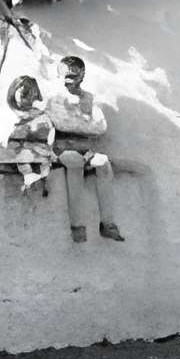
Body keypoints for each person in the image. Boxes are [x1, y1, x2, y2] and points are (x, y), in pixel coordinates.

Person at [45, 55, 122, 243]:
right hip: (61, 150)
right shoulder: (55, 99)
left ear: (81, 76)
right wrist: (83, 121)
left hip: (85, 150)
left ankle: (107, 223)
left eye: (71, 76)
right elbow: (57, 124)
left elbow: (100, 126)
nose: (66, 81)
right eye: (63, 76)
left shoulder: (89, 99)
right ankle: (77, 225)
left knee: (103, 164)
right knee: (75, 162)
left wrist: (76, 122)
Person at [0, 73, 58, 195]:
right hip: (20, 154)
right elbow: (8, 142)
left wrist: (46, 146)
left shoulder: (41, 116)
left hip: (39, 152)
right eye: (22, 92)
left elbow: (50, 133)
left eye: (29, 92)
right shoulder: (9, 115)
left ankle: (38, 176)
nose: (25, 95)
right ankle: (31, 176)